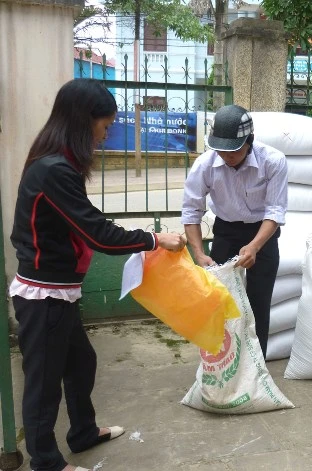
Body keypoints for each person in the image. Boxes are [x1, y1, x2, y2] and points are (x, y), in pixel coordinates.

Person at [9, 78, 186, 471]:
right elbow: (99, 234)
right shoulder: (55, 170)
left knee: (82, 362)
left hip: (60, 290)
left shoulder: (55, 164)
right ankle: (47, 462)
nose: (105, 136)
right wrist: (156, 239)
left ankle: (83, 432)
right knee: (42, 384)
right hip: (45, 294)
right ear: (82, 121)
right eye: (104, 126)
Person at [182, 104, 288, 359]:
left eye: (234, 150)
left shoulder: (273, 161)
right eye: (220, 150)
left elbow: (274, 211)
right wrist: (198, 252)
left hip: (263, 233)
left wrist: (254, 246)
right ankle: (222, 362)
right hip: (226, 232)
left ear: (249, 141)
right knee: (219, 301)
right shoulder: (204, 165)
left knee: (259, 302)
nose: (226, 156)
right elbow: (190, 211)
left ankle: (256, 365)